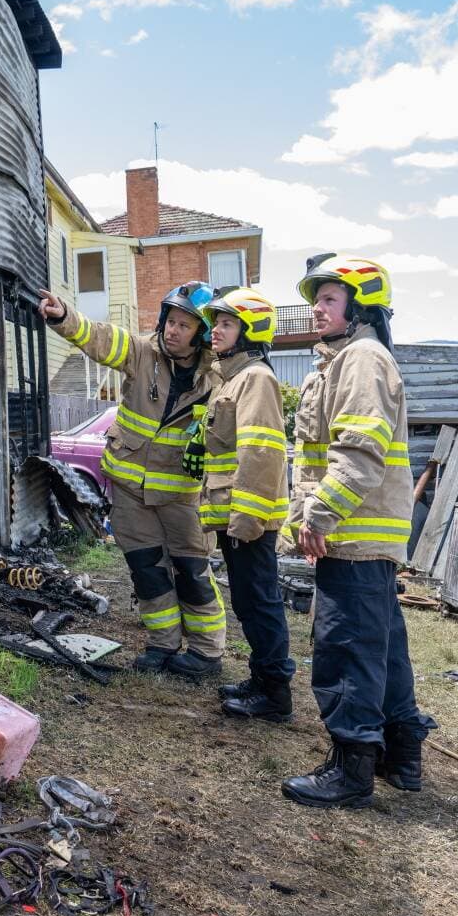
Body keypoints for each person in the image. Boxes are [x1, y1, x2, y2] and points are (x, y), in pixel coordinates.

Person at [279, 254, 436, 809]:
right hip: (360, 534)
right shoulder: (344, 360)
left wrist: (317, 518)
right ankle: (402, 754)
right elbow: (317, 457)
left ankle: (351, 769)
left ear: (359, 305)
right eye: (315, 299)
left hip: (352, 534)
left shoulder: (362, 359)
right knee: (384, 649)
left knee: (346, 647)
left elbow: (358, 455)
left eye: (328, 299)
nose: (316, 309)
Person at [37, 283, 227, 679]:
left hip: (181, 496)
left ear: (203, 333)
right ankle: (163, 644)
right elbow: (101, 339)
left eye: (184, 325)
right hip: (129, 492)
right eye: (169, 321)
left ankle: (207, 654)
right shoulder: (143, 352)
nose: (172, 331)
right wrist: (65, 317)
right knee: (148, 571)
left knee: (191, 572)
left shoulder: (218, 377)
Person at [193, 288, 294, 722]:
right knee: (249, 603)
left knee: (260, 602)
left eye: (227, 323)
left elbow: (261, 453)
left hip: (248, 518)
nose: (215, 330)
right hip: (234, 516)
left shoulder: (256, 379)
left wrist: (247, 518)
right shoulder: (232, 377)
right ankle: (261, 679)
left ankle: (275, 695)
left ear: (249, 332)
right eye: (216, 322)